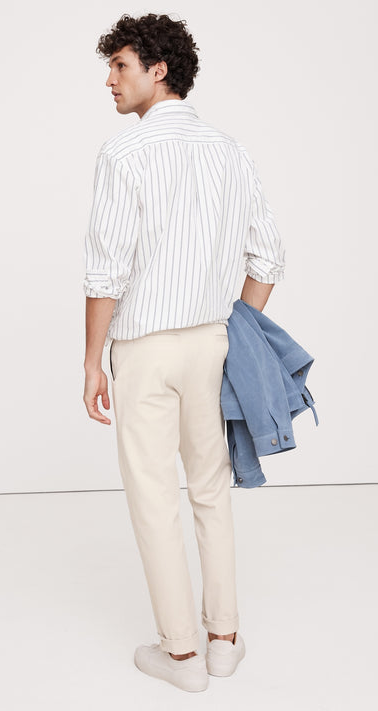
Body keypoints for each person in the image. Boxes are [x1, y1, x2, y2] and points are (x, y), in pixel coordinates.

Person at [82, 13, 286, 692]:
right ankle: (223, 640)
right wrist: (238, 328)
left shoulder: (124, 154)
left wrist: (91, 361)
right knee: (210, 490)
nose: (110, 80)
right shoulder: (229, 151)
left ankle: (180, 657)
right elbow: (268, 256)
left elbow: (105, 273)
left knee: (153, 500)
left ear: (158, 69)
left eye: (120, 65)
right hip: (210, 343)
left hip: (143, 349)